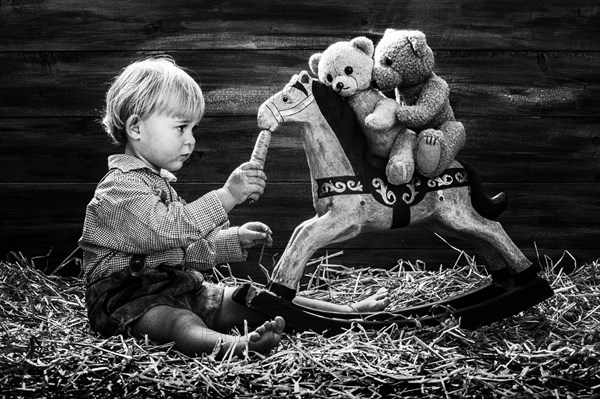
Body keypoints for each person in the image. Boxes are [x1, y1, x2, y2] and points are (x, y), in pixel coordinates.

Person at [79, 56, 390, 358]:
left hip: (180, 288)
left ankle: (348, 312)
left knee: (250, 297)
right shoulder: (119, 189)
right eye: (181, 127)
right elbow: (168, 230)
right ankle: (235, 346)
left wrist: (233, 240)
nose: (190, 141)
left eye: (194, 130)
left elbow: (186, 250)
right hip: (125, 300)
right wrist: (228, 195)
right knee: (180, 323)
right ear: (136, 127)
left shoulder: (158, 186)